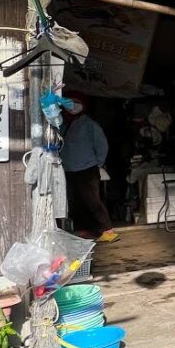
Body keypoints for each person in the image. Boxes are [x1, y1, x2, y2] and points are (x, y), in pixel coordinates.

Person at [59, 92, 119, 244]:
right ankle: (84, 230)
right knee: (75, 201)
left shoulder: (89, 124)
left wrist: (98, 163)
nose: (72, 106)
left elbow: (102, 145)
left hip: (88, 169)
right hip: (69, 169)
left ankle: (108, 230)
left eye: (76, 103)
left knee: (92, 200)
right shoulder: (63, 124)